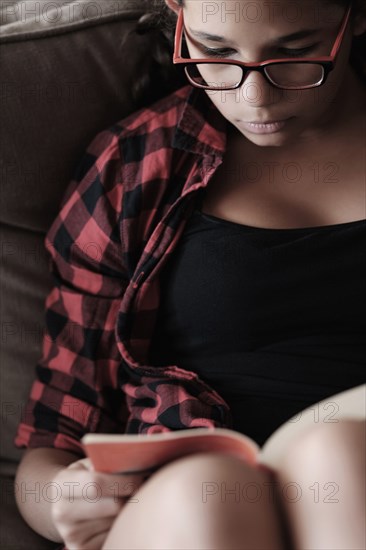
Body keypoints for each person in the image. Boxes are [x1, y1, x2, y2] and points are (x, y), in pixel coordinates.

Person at [14, 0, 365, 549]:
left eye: (295, 51)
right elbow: (49, 443)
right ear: (177, 20)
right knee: (209, 489)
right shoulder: (134, 168)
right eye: (215, 52)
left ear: (356, 18)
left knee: (342, 459)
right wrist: (65, 499)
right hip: (183, 498)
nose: (255, 97)